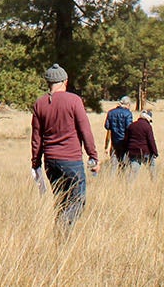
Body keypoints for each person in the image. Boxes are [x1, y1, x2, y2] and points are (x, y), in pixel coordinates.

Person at [30, 64, 100, 232]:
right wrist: (93, 156)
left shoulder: (40, 104)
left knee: (61, 201)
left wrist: (35, 163)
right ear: (65, 81)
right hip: (71, 160)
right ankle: (62, 229)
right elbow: (85, 130)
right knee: (78, 201)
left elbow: (36, 137)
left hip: (50, 162)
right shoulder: (74, 100)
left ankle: (61, 240)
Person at [123, 110, 158, 179]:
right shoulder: (147, 127)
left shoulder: (131, 125)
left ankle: (128, 187)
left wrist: (126, 150)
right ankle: (154, 183)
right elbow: (151, 141)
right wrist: (155, 152)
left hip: (133, 152)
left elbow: (126, 140)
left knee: (133, 172)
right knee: (152, 170)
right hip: (145, 152)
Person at [104, 100, 132, 171]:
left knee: (113, 164)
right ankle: (121, 179)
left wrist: (106, 146)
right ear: (127, 104)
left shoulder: (111, 112)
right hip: (124, 142)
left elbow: (107, 126)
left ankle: (112, 180)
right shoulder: (128, 113)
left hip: (114, 142)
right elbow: (129, 128)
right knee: (124, 164)